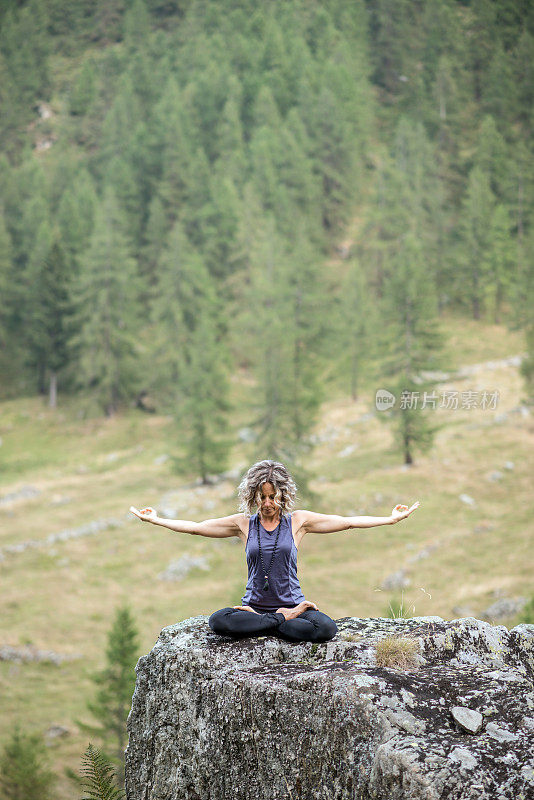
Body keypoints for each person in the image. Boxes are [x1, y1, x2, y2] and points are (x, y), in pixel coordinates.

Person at [130, 460, 419, 643]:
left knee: (325, 629)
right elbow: (195, 527)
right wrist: (156, 519)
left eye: (273, 496)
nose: (267, 502)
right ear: (253, 496)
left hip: (294, 605)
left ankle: (273, 622)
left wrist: (390, 518)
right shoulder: (242, 524)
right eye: (262, 497)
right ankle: (277, 622)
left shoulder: (298, 522)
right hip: (254, 608)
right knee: (218, 621)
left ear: (283, 495)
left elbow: (348, 522)